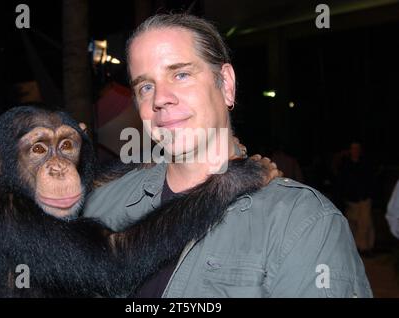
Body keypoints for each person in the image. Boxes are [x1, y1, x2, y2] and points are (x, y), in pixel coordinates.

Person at [84, 13, 372, 298]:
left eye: (181, 74)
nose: (160, 98)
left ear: (227, 84)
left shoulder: (304, 224)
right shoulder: (100, 204)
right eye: (146, 86)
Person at [337, 142, 375, 256]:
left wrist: (369, 194)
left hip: (364, 198)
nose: (355, 151)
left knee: (365, 222)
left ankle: (364, 248)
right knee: (353, 223)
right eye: (353, 148)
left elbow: (371, 179)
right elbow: (342, 181)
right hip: (351, 200)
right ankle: (354, 247)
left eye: (357, 148)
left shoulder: (365, 163)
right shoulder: (345, 164)